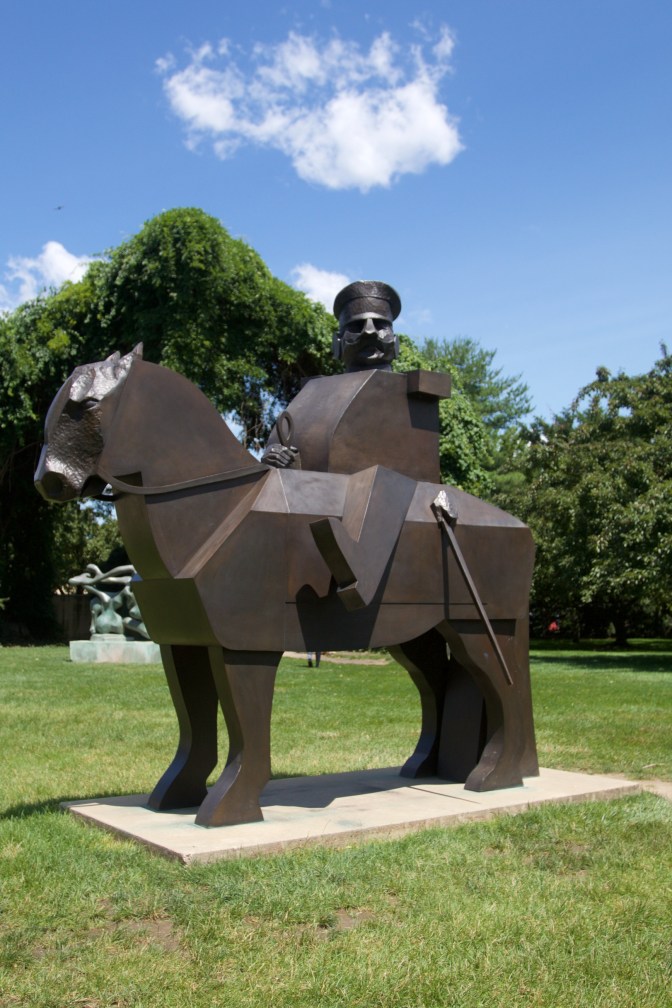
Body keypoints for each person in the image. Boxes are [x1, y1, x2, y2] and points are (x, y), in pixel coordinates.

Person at [262, 281, 450, 610]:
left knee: (381, 481)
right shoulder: (312, 396)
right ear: (337, 343)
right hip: (315, 511)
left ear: (396, 341)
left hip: (389, 498)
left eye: (381, 324)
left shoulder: (412, 391)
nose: (369, 332)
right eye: (356, 326)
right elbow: (281, 447)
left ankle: (359, 563)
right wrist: (277, 462)